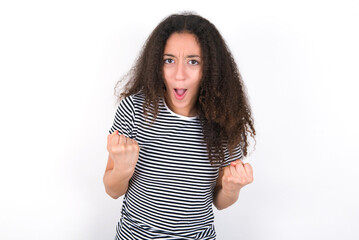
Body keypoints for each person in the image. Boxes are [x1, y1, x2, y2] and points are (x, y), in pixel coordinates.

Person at [103, 12, 256, 239]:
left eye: (193, 61)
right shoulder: (134, 110)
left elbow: (220, 202)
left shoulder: (226, 120)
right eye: (169, 60)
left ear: (211, 68)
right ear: (157, 63)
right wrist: (123, 169)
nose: (179, 74)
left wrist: (232, 188)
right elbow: (112, 190)